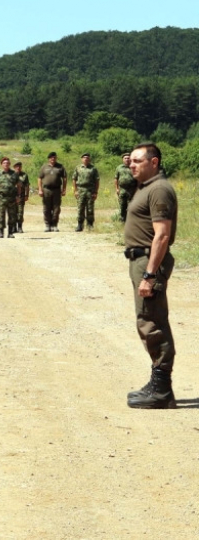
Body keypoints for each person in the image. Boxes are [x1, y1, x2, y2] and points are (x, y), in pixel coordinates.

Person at [123, 143, 178, 409]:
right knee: (147, 318)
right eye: (130, 161)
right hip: (140, 258)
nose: (130, 165)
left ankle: (162, 390)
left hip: (149, 261)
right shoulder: (146, 187)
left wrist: (149, 274)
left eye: (136, 161)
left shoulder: (159, 190)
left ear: (153, 162)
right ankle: (157, 382)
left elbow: (163, 235)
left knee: (152, 322)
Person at [37, 152, 67, 232]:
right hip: (46, 190)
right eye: (51, 158)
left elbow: (64, 178)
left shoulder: (60, 167)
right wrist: (40, 190)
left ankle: (54, 225)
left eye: (54, 157)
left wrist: (64, 189)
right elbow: (39, 178)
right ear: (49, 159)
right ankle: (47, 225)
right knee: (46, 208)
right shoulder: (44, 167)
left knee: (56, 208)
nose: (53, 159)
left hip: (57, 190)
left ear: (56, 158)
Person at [0, 157, 20, 239]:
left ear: (9, 164)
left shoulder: (14, 174)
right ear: (1, 164)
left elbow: (19, 186)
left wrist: (18, 196)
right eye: (4, 163)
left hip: (12, 198)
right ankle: (1, 232)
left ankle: (10, 232)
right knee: (1, 215)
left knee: (12, 216)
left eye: (7, 163)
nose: (6, 164)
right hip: (1, 198)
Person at [72, 153, 100, 231]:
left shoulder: (93, 169)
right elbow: (74, 179)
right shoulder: (78, 168)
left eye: (87, 158)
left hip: (90, 191)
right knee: (80, 208)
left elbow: (97, 181)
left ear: (89, 159)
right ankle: (80, 225)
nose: (86, 159)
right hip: (80, 190)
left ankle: (90, 225)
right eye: (84, 158)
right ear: (82, 159)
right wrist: (75, 191)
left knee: (90, 209)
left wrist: (95, 192)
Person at [114, 152, 137, 222]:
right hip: (122, 189)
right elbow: (116, 179)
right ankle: (122, 220)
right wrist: (117, 189)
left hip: (132, 190)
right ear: (123, 159)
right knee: (122, 205)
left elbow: (138, 178)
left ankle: (131, 220)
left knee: (132, 205)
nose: (127, 159)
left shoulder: (134, 167)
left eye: (128, 158)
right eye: (125, 158)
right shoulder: (119, 168)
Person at [13, 160, 30, 233]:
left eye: (19, 166)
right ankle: (13, 227)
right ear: (14, 167)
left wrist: (27, 195)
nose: (18, 168)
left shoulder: (24, 175)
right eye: (17, 166)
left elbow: (27, 186)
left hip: (21, 196)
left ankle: (19, 227)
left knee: (20, 212)